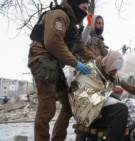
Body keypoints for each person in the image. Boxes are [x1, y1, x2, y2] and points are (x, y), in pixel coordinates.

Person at [27, 0, 95, 140]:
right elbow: (53, 41)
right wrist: (75, 63)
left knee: (68, 106)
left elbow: (81, 48)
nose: (85, 12)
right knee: (47, 109)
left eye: (87, 9)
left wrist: (98, 62)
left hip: (55, 65)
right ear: (75, 5)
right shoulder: (58, 15)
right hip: (43, 62)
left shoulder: (73, 26)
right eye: (83, 8)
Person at [88, 50, 128, 141]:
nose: (115, 71)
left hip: (103, 114)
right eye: (114, 68)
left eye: (117, 69)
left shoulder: (111, 76)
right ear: (109, 64)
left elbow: (110, 97)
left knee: (128, 113)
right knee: (121, 110)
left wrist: (116, 94)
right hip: (90, 116)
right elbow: (90, 98)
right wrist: (112, 99)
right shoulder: (92, 71)